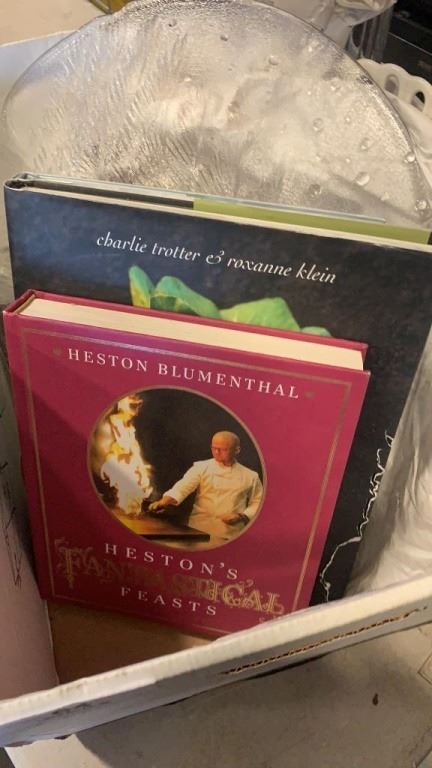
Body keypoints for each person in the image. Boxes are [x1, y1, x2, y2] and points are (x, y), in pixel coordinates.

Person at [148, 431, 263, 542]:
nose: (217, 452)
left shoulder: (251, 476)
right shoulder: (201, 467)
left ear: (237, 450)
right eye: (214, 448)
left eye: (223, 449)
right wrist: (164, 502)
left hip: (231, 534)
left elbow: (258, 502)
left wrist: (241, 516)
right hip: (199, 531)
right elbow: (182, 487)